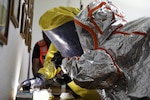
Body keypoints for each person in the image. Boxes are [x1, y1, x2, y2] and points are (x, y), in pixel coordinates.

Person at [21, 0, 150, 100]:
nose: (62, 39)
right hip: (88, 93)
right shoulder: (61, 44)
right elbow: (53, 62)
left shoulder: (112, 41)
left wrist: (66, 66)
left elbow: (98, 67)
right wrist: (41, 77)